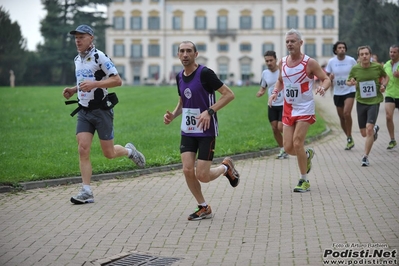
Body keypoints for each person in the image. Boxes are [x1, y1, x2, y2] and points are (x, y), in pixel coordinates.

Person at [63, 25, 145, 204]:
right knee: (83, 148)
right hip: (84, 111)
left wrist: (94, 85)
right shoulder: (78, 59)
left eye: (81, 37)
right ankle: (86, 191)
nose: (78, 40)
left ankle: (129, 151)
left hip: (102, 111)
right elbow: (85, 82)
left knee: (109, 153)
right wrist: (73, 89)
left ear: (91, 38)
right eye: (76, 37)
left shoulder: (100, 57)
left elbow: (117, 80)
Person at [163, 41, 240, 221]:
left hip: (206, 130)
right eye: (181, 51)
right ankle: (203, 207)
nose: (185, 54)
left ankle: (225, 167)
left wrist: (209, 111)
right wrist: (173, 115)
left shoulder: (205, 74)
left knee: (203, 175)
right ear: (178, 55)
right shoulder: (179, 77)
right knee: (187, 170)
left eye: (189, 51)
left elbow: (229, 94)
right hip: (188, 131)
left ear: (196, 54)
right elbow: (183, 102)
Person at [268, 29, 331, 193]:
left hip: (305, 107)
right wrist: (274, 93)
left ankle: (304, 180)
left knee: (297, 142)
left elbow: (326, 79)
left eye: (292, 41)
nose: (289, 44)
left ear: (300, 43)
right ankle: (306, 154)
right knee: (288, 148)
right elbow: (280, 81)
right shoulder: (282, 62)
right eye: (287, 41)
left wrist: (323, 88)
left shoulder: (309, 63)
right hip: (288, 107)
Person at [346, 45, 389, 166]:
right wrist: (351, 82)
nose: (364, 56)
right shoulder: (355, 69)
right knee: (364, 133)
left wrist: (383, 86)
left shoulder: (376, 67)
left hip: (374, 101)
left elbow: (386, 77)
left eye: (366, 54)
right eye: (362, 54)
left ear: (370, 55)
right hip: (361, 101)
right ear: (358, 57)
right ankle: (375, 129)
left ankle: (365, 157)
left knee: (368, 129)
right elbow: (348, 81)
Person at [325, 41, 357, 150]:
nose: (342, 49)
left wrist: (355, 79)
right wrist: (330, 77)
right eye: (339, 48)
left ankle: (349, 136)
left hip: (349, 90)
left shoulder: (351, 60)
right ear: (335, 50)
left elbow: (358, 72)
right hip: (338, 92)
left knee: (346, 113)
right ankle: (349, 137)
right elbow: (327, 76)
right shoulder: (331, 62)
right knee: (341, 117)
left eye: (343, 47)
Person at [256, 50, 287, 159]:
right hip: (272, 104)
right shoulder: (265, 73)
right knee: (274, 128)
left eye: (271, 60)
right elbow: (263, 87)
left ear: (276, 60)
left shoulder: (282, 71)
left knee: (280, 127)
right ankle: (283, 149)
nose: (269, 63)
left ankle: (291, 144)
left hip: (284, 103)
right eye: (267, 61)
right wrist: (261, 92)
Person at [383, 44, 399, 150]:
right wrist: (383, 85)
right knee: (388, 116)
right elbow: (386, 78)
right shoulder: (386, 65)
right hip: (389, 93)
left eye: (394, 52)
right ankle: (392, 139)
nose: (392, 54)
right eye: (391, 52)